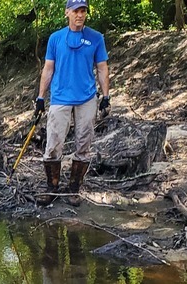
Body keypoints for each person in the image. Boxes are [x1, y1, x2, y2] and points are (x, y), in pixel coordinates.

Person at [35, 0, 110, 206]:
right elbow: (48, 68)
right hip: (60, 98)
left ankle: (74, 189)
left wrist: (106, 96)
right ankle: (52, 188)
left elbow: (102, 68)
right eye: (76, 11)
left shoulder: (96, 38)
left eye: (83, 11)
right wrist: (41, 98)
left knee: (84, 144)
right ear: (67, 12)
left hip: (87, 98)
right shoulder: (56, 38)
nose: (80, 15)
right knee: (53, 144)